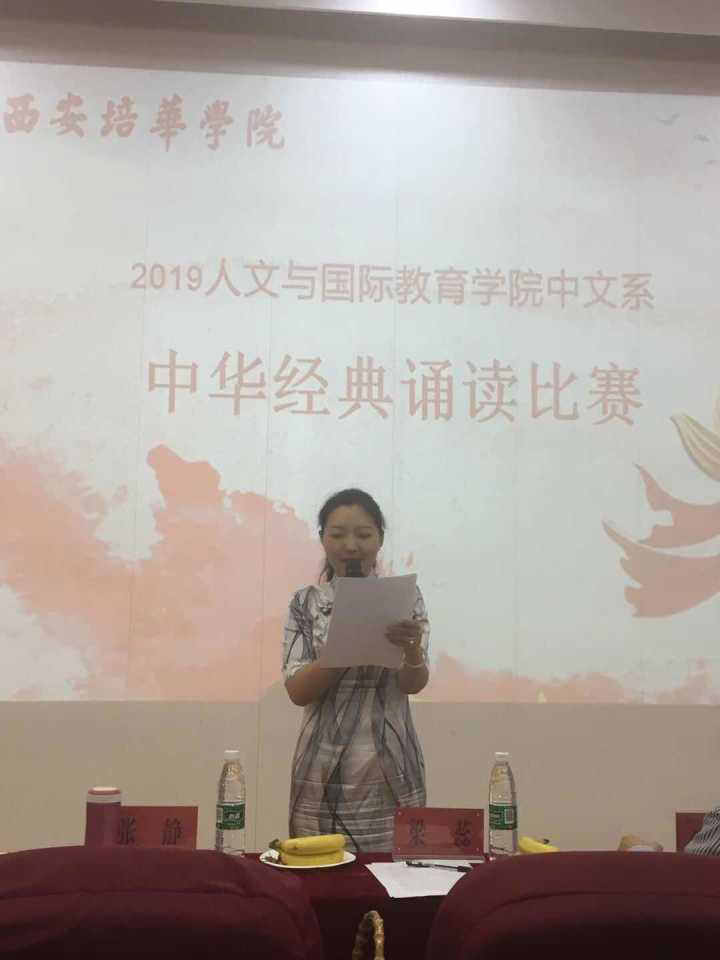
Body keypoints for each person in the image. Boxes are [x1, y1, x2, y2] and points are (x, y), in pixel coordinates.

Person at [282, 488, 429, 852]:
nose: (351, 546)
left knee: (396, 873)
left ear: (379, 539)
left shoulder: (405, 598)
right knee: (320, 869)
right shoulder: (306, 602)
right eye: (337, 534)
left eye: (363, 535)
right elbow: (297, 691)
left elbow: (413, 684)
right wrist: (346, 643)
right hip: (322, 770)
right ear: (322, 539)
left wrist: (411, 648)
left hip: (392, 766)